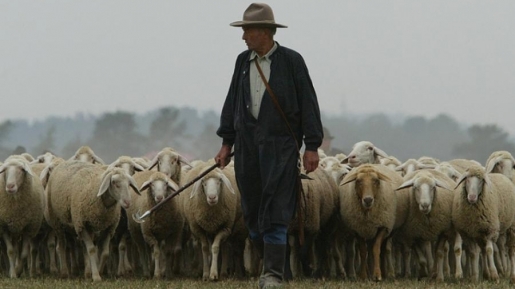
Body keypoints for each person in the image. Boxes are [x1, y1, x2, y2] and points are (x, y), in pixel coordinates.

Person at [214, 3, 323, 288]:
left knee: (276, 206)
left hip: (281, 147)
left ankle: (272, 274)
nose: (243, 37)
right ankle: (277, 269)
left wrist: (311, 145)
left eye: (247, 30)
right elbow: (232, 102)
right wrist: (227, 142)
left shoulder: (292, 62)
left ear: (264, 31)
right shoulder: (242, 61)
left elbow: (308, 104)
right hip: (248, 147)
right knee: (251, 209)